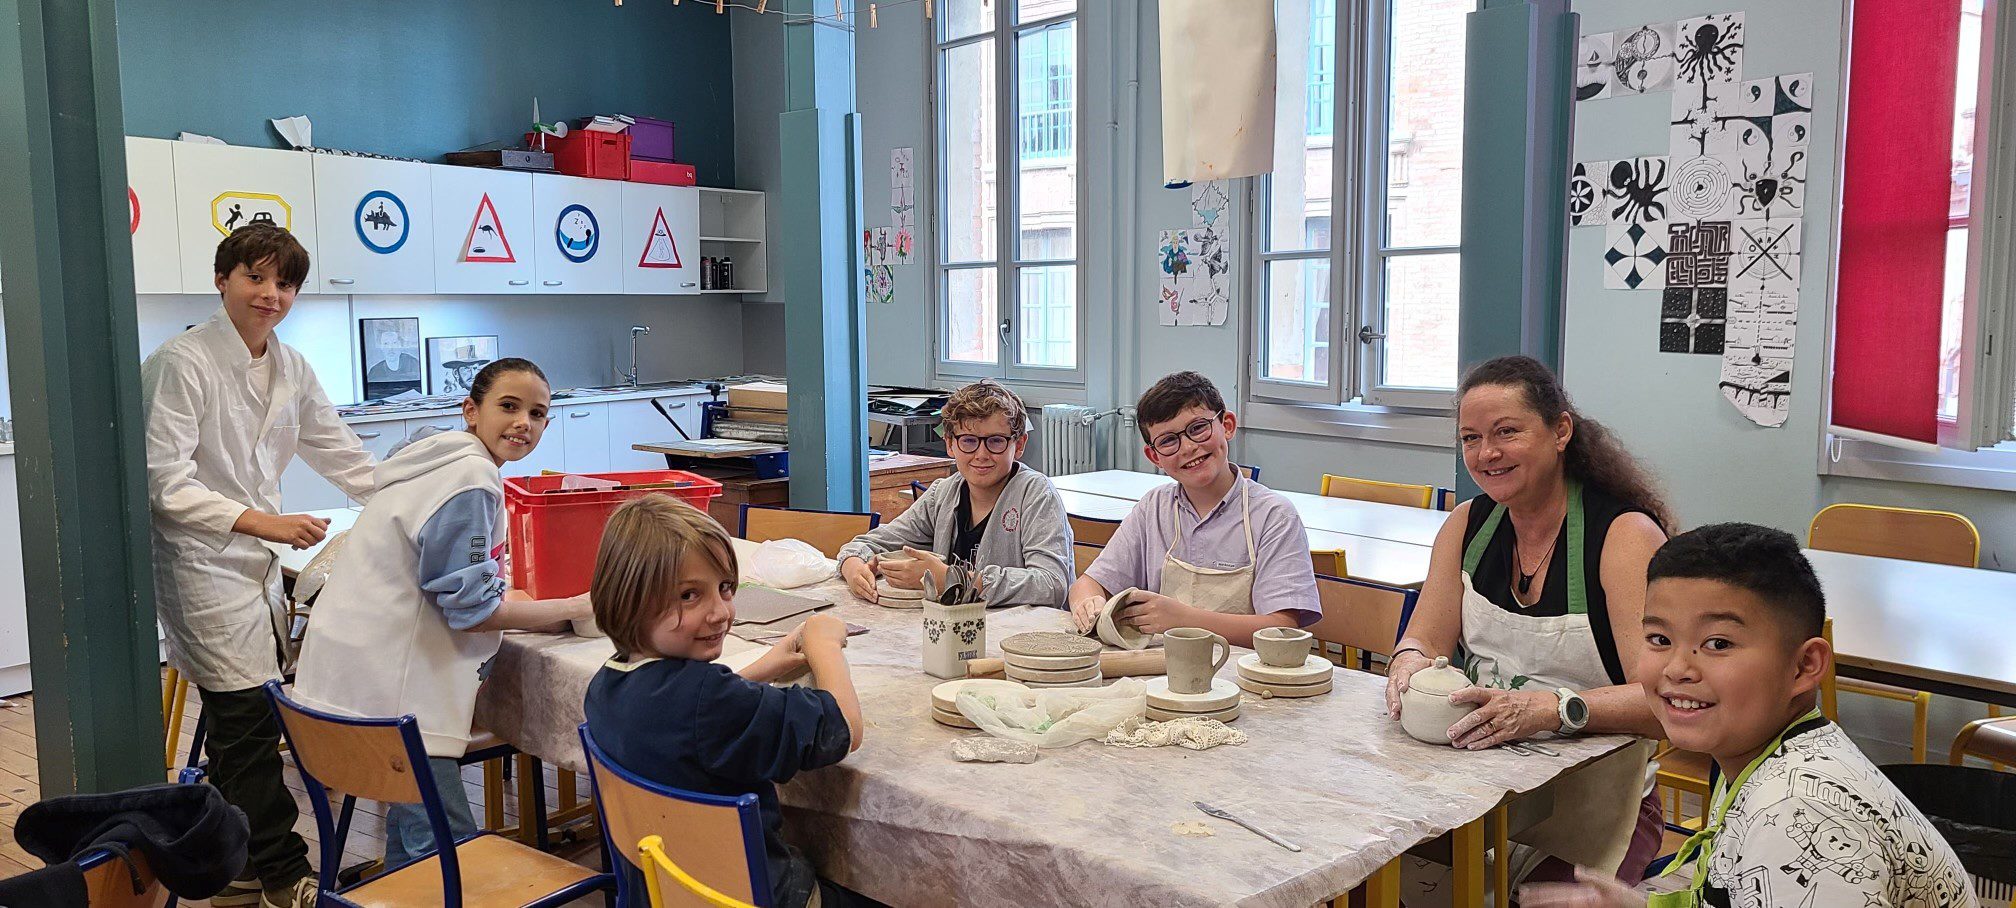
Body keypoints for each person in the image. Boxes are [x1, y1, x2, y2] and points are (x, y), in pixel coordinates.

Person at [1522, 524, 1978, 908]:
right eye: (1659, 639)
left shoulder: (1797, 813)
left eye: (1718, 643)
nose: (1678, 668)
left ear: (1804, 667)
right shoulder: (1757, 755)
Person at [142, 223, 376, 908]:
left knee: (242, 717)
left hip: (258, 565)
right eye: (256, 277)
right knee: (246, 719)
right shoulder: (181, 362)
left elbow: (341, 453)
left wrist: (415, 497)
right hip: (202, 563)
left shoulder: (290, 365)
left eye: (285, 283)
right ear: (223, 279)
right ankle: (283, 874)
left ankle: (233, 856)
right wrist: (262, 521)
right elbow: (164, 480)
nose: (270, 294)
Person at [1384, 355, 1671, 891]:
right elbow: (1423, 635)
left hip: (1597, 800)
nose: (1486, 453)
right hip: (1477, 791)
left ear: (1560, 430)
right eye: (1471, 438)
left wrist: (1551, 709)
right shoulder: (1468, 525)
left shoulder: (1624, 537)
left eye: (1506, 432)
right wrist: (1408, 663)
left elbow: (1664, 703)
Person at [293, 358, 591, 869]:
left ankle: (399, 886)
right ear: (471, 411)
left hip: (336, 691)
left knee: (414, 844)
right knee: (448, 852)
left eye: (538, 413)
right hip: (395, 704)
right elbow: (470, 612)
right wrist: (571, 610)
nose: (524, 422)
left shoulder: (430, 461)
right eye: (509, 406)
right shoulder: (471, 478)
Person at [583, 496, 875, 908]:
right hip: (751, 897)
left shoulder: (606, 685)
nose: (720, 612)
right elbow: (844, 728)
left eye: (725, 588)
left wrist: (768, 664)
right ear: (628, 598)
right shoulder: (711, 702)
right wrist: (824, 641)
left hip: (664, 893)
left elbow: (686, 715)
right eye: (689, 596)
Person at [1066, 371, 1320, 647]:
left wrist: (1184, 618)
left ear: (1227, 425)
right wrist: (1087, 603)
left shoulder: (1274, 516)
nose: (1188, 447)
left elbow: (1282, 628)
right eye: (1168, 441)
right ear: (1154, 456)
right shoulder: (1154, 509)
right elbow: (1088, 584)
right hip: (1163, 670)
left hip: (1242, 674)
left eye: (1198, 428)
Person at [838, 380, 1072, 607]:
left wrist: (956, 580)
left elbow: (1052, 585)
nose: (981, 454)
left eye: (996, 441)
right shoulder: (943, 494)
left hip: (1021, 636)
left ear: (1019, 445)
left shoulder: (1036, 495)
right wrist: (852, 564)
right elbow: (871, 543)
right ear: (950, 444)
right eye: (968, 441)